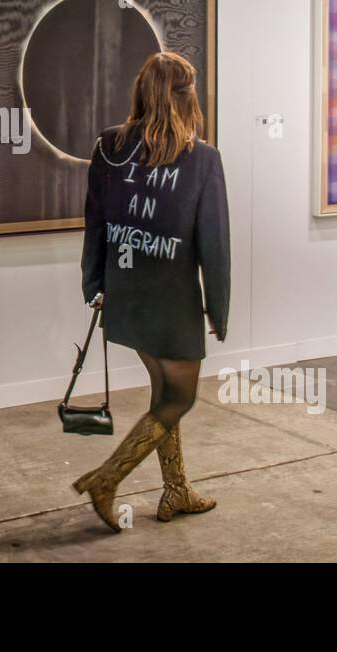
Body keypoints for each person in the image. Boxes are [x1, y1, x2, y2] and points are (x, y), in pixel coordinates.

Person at [73, 52, 231, 532]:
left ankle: (176, 489)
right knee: (178, 399)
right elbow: (215, 245)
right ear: (186, 97)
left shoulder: (109, 147)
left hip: (127, 294)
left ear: (142, 91)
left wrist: (95, 284)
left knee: (163, 393)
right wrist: (217, 309)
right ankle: (107, 479)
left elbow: (95, 222)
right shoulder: (202, 159)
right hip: (172, 301)